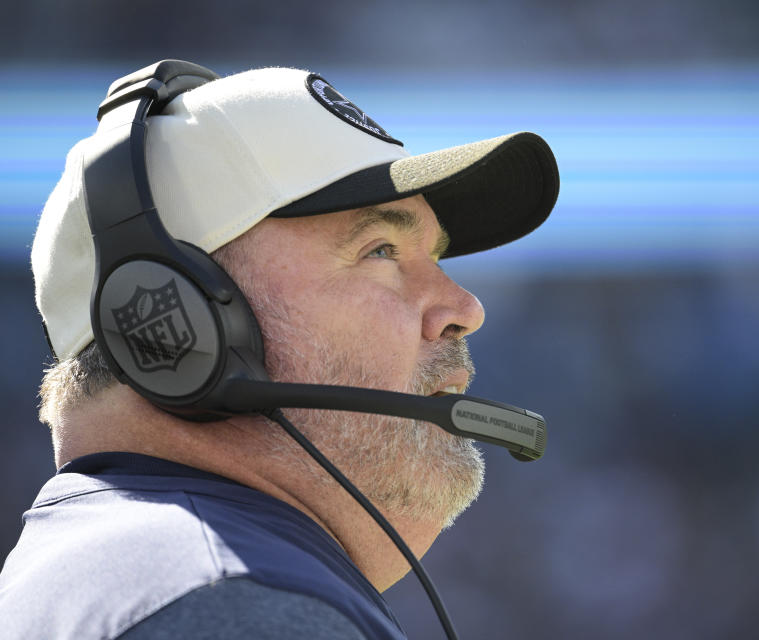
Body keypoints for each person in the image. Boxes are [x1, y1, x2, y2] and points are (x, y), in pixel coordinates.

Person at [0, 61, 558, 638]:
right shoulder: (237, 605)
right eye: (381, 250)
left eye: (434, 257)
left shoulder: (126, 576)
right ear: (180, 322)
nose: (464, 310)